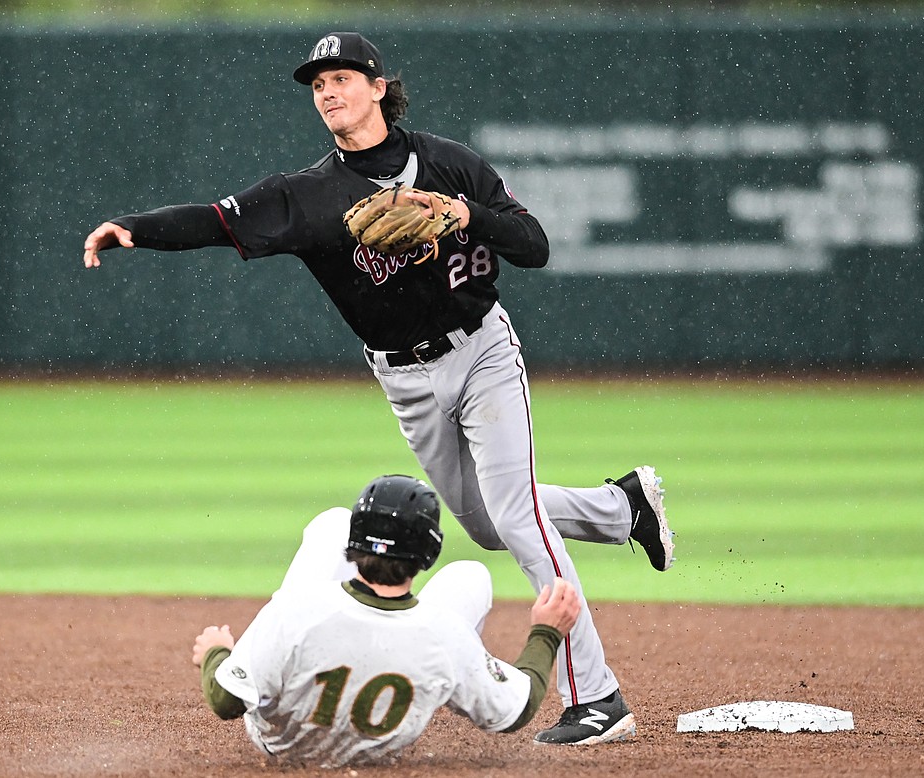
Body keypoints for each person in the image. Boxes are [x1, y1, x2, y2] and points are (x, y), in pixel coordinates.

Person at [86, 31, 675, 745]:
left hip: (484, 349)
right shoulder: (305, 196)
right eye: (317, 85)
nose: (327, 92)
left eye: (340, 78)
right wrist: (133, 230)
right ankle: (620, 508)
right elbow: (215, 221)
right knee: (485, 523)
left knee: (516, 518)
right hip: (403, 376)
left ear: (376, 87)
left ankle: (599, 699)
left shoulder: (451, 163)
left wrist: (463, 214)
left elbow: (535, 244)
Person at [190, 474, 582, 767]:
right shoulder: (445, 635)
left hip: (280, 745)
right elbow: (517, 709)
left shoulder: (297, 607)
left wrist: (217, 653)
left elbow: (225, 701)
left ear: (355, 544)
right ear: (427, 552)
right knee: (471, 576)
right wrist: (546, 632)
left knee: (331, 522)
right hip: (378, 745)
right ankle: (432, 678)